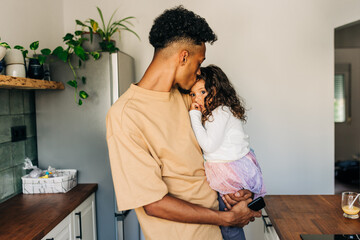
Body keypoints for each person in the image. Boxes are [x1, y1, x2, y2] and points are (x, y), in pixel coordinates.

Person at [106, 6, 261, 240]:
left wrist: (239, 192)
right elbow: (153, 203)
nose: (200, 73)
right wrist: (227, 218)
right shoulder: (125, 115)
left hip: (224, 233)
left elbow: (228, 149)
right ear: (184, 57)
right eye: (199, 63)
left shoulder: (189, 98)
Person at [189, 65, 266, 240]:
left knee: (229, 225)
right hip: (233, 168)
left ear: (215, 90)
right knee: (230, 218)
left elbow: (208, 145)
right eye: (193, 94)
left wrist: (193, 115)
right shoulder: (219, 112)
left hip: (230, 172)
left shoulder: (220, 112)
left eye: (202, 92)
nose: (196, 99)